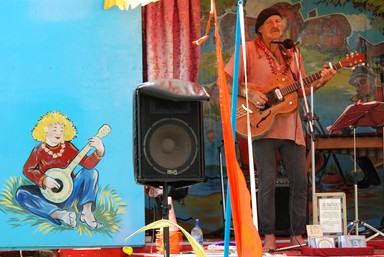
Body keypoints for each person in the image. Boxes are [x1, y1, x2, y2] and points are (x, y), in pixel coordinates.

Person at [224, 7, 336, 251]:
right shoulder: (249, 51)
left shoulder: (292, 54)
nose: (276, 25)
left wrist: (323, 79)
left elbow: (302, 90)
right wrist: (250, 93)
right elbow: (228, 81)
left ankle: (297, 234)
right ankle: (269, 236)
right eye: (270, 22)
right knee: (267, 181)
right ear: (261, 28)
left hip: (292, 127)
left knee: (300, 181)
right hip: (260, 125)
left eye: (279, 21)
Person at [16, 112, 106, 229]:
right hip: (47, 195)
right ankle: (60, 214)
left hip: (69, 192)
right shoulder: (38, 150)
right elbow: (27, 170)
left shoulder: (68, 147)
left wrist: (99, 150)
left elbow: (87, 164)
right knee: (21, 194)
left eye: (62, 130)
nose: (59, 132)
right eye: (55, 129)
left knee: (91, 172)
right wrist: (44, 180)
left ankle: (87, 213)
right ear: (45, 129)